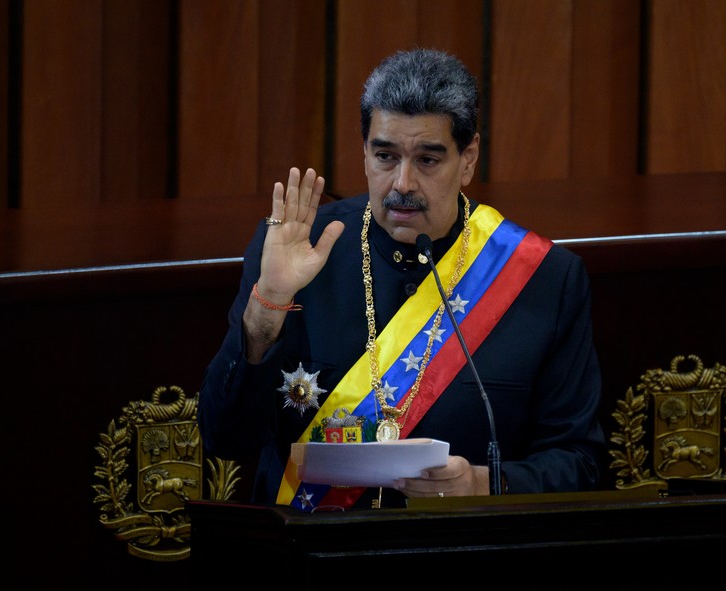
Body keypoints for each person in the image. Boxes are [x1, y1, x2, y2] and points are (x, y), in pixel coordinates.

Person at [198, 48, 605, 511]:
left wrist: (485, 484)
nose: (403, 183)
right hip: (314, 558)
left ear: (468, 158)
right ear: (365, 153)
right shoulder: (295, 252)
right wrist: (265, 308)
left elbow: (582, 464)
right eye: (385, 156)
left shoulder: (544, 279)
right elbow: (225, 438)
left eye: (428, 160)